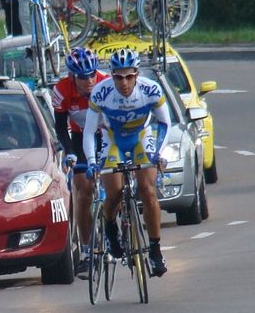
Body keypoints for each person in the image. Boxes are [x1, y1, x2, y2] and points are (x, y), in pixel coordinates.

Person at [82, 48, 171, 277]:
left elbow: (165, 123)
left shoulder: (150, 89)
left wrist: (159, 153)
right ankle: (111, 228)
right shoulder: (101, 93)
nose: (124, 82)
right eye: (119, 77)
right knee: (114, 192)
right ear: (111, 75)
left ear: (137, 74)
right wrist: (92, 162)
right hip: (113, 141)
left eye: (129, 76)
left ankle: (155, 250)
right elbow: (90, 131)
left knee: (148, 190)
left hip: (141, 138)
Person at [52, 47, 109, 279]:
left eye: (92, 74)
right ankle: (88, 251)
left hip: (107, 135)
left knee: (115, 178)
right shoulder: (62, 90)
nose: (89, 81)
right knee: (82, 190)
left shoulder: (107, 84)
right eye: (83, 77)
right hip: (79, 137)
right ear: (72, 77)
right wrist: (68, 153)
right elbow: (60, 127)